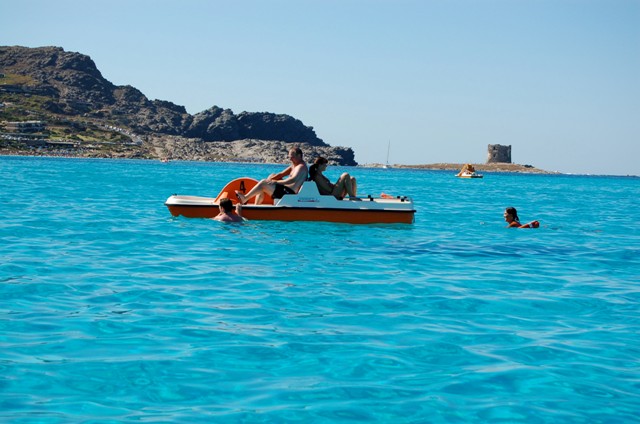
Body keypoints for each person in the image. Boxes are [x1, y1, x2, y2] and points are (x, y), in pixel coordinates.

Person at [236, 147, 308, 205]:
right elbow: (281, 174)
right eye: (289, 157)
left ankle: (245, 198)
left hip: (289, 193)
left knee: (263, 183)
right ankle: (256, 206)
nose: (290, 159)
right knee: (270, 177)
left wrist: (276, 182)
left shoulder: (301, 167)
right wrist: (271, 179)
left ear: (299, 156)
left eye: (292, 157)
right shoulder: (294, 165)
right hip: (285, 190)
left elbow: (292, 180)